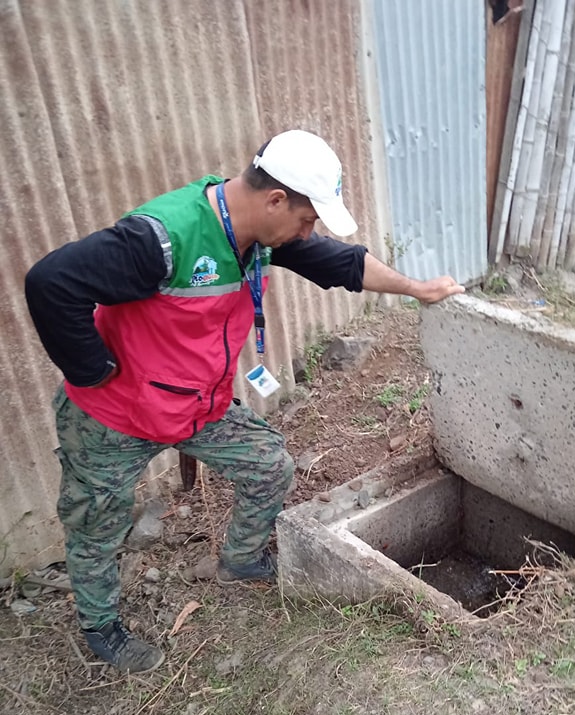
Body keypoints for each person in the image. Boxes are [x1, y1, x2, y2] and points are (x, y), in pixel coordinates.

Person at [25, 130, 464, 675]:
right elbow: (51, 282)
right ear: (275, 199)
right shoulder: (161, 239)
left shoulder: (257, 233)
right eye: (306, 220)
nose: (307, 233)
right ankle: (101, 626)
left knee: (269, 465)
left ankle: (240, 560)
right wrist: (93, 369)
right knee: (97, 523)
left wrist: (418, 288)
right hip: (114, 417)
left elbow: (341, 264)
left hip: (194, 407)